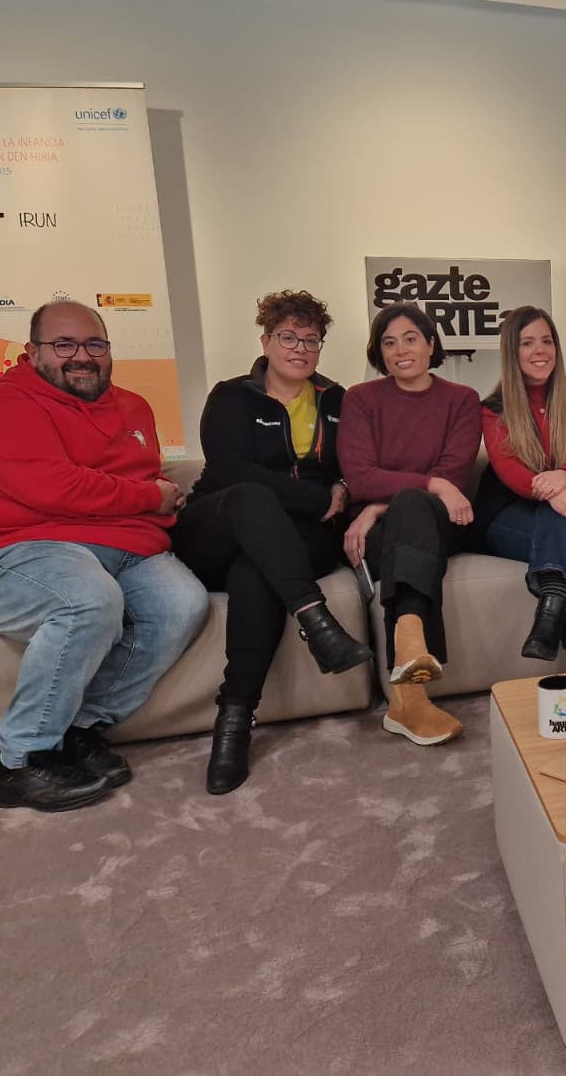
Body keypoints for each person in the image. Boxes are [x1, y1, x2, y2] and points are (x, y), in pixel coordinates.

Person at [0, 300, 210, 811]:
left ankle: (80, 729)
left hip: (121, 547)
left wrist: (149, 504)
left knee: (183, 603)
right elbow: (57, 487)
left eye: (94, 344)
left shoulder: (134, 406)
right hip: (20, 546)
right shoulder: (11, 403)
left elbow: (143, 481)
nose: (82, 356)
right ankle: (18, 762)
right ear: (33, 353)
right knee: (89, 600)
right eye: (63, 345)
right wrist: (147, 498)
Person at [171, 290, 373, 795]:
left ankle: (234, 720)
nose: (300, 348)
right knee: (251, 497)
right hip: (219, 524)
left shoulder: (336, 400)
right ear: (265, 341)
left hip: (295, 538)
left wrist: (342, 487)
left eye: (311, 339)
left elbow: (354, 466)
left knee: (255, 572)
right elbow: (232, 471)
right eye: (289, 337)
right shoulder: (231, 396)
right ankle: (316, 619)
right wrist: (319, 496)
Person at [339, 305, 480, 746]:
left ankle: (407, 673)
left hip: (440, 522)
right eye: (389, 342)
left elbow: (454, 475)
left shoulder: (462, 399)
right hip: (387, 532)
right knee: (412, 509)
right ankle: (410, 688)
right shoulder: (361, 399)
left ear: (431, 344)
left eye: (411, 338)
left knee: (414, 507)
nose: (401, 350)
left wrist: (377, 507)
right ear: (379, 352)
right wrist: (429, 484)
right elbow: (359, 476)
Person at [474, 306, 566, 670]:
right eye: (527, 343)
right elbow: (509, 469)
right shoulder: (493, 408)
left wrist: (564, 476)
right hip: (509, 515)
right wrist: (556, 494)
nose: (540, 350)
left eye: (546, 341)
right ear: (512, 351)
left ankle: (550, 609)